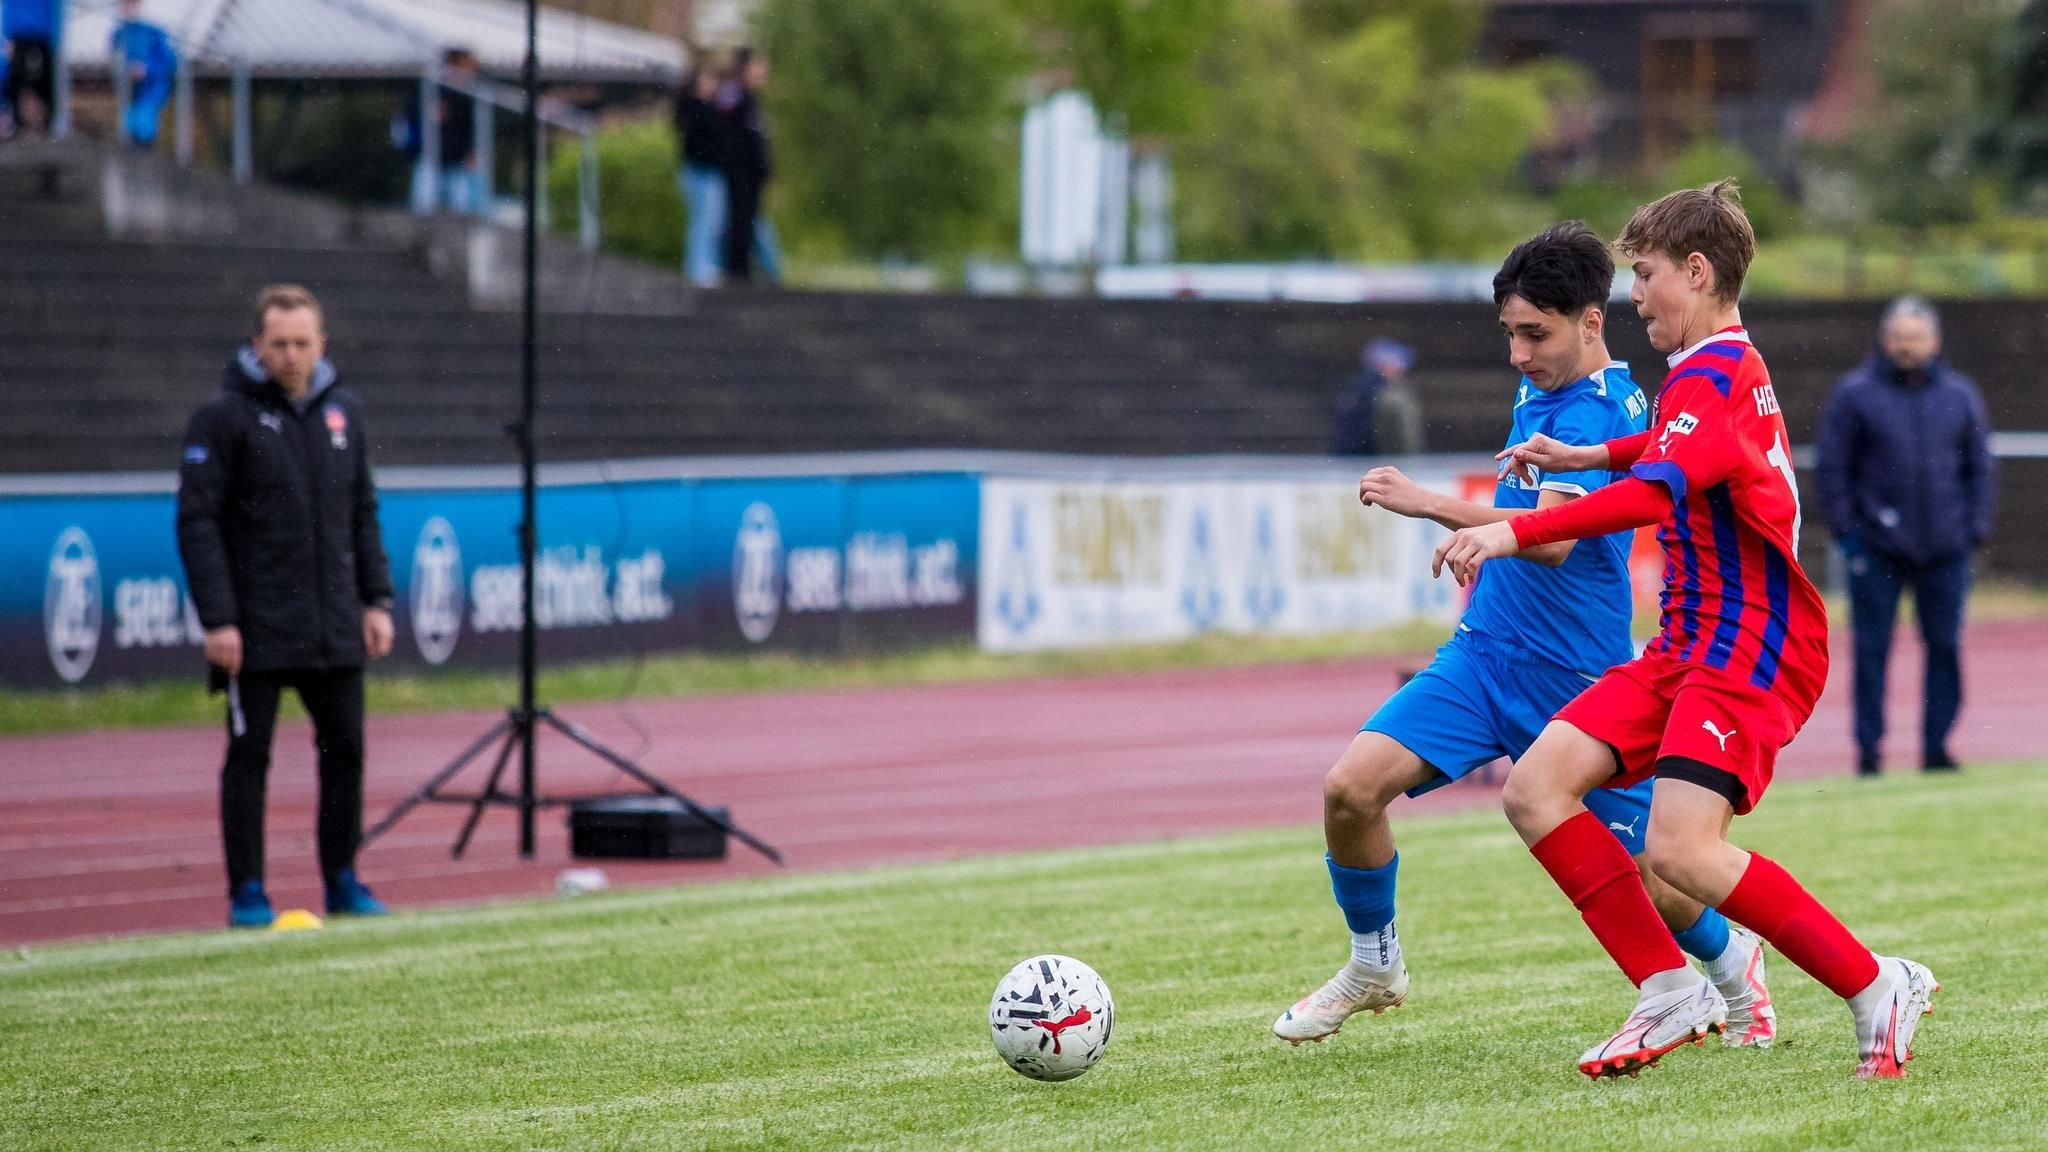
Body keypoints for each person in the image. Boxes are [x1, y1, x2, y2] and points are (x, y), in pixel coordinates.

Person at [1439, 180, 1938, 1080]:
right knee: (1536, 788)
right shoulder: (1712, 370)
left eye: (1646, 274)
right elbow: (1677, 447)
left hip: (1748, 648)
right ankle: (1670, 988)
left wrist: (1508, 528)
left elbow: (1654, 489)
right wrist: (1588, 452)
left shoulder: (1712, 371)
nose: (1634, 296)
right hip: (1687, 645)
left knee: (1679, 850)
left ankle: (1874, 986)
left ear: (1697, 272)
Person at [1273, 223, 1775, 1050]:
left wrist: (1433, 502)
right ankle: (1374, 964)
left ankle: (1731, 963)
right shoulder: (1541, 385)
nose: (1517, 353)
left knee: (1663, 876)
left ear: (1590, 321)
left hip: (1577, 681)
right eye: (1509, 332)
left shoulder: (1611, 408)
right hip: (1482, 656)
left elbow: (1554, 539)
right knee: (1349, 790)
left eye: (1533, 333)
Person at [176, 285, 397, 929]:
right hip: (257, 626)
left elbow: (363, 514)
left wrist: (376, 600)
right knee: (251, 757)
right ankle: (248, 890)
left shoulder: (343, 414)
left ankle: (344, 879)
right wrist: (219, 618)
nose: (292, 356)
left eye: (303, 343)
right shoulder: (222, 420)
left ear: (321, 344)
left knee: (346, 751)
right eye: (280, 344)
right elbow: (198, 524)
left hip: (335, 623)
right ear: (257, 346)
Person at [1817, 297, 1996, 776]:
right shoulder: (1855, 395)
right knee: (1871, 653)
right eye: (1898, 337)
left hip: (1945, 549)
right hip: (1875, 550)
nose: (1906, 346)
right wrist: (1849, 536)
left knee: (1944, 648)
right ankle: (1869, 753)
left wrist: (1972, 532)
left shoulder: (1960, 396)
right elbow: (1834, 469)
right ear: (1884, 338)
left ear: (1934, 342)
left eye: (1915, 338)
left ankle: (1937, 748)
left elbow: (1980, 468)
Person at [718, 48, 779, 285]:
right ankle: (737, 271)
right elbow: (734, 135)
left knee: (747, 218)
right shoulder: (735, 96)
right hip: (740, 171)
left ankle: (742, 269)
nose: (763, 71)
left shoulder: (748, 98)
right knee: (740, 218)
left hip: (749, 172)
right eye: (759, 65)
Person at [399, 48, 482, 214]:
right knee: (425, 201)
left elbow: (472, 126)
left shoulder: (469, 95)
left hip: (456, 158)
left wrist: (470, 150)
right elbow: (409, 112)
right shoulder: (432, 87)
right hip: (430, 155)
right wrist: (428, 111)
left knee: (461, 203)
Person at [673, 62, 727, 287]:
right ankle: (698, 268)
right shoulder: (693, 108)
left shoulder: (709, 107)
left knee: (713, 222)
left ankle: (707, 265)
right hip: (699, 171)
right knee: (703, 222)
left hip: (710, 171)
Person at [1329, 339, 1423, 456]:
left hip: (1357, 458)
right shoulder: (1380, 393)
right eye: (1398, 366)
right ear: (1384, 365)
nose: (1401, 372)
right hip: (1367, 460)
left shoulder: (1361, 388)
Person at [110, 0, 177, 150]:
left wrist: (147, 69)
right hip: (132, 86)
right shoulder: (121, 32)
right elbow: (115, 56)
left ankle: (144, 149)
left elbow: (167, 60)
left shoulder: (153, 31)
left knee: (143, 120)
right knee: (131, 120)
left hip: (152, 85)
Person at [2, 0, 56, 137]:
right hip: (26, 31)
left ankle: (37, 124)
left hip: (37, 32)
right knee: (21, 80)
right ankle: (24, 124)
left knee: (33, 81)